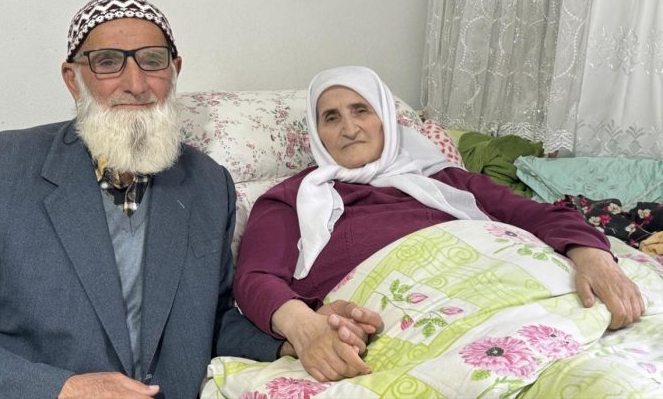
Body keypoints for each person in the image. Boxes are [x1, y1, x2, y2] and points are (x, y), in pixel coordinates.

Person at [0, 0, 377, 398]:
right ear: (73, 78)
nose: (136, 84)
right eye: (107, 62)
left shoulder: (208, 184)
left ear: (174, 71)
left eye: (153, 61)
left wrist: (296, 339)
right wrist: (64, 390)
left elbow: (210, 321)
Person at [233, 65, 646, 382]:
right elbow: (255, 278)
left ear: (385, 119)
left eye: (361, 110)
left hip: (509, 288)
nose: (349, 128)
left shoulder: (444, 178)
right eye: (331, 117)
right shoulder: (293, 197)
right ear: (317, 133)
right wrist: (306, 329)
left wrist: (594, 257)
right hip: (405, 317)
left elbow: (536, 214)